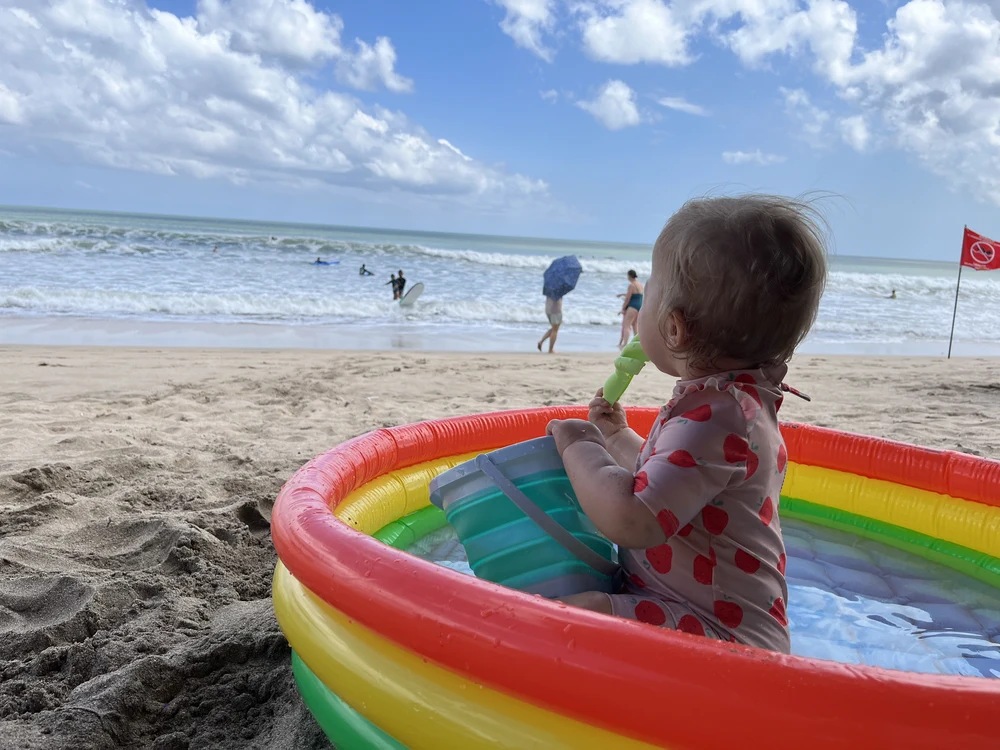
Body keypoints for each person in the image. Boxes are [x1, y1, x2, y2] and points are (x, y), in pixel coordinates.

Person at [544, 195, 828, 654]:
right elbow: (667, 482)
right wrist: (615, 437)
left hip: (724, 639)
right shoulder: (732, 404)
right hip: (707, 617)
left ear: (674, 329)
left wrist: (582, 445)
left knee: (577, 612)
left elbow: (633, 519)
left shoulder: (718, 417)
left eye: (651, 291)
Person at [617, 269, 644, 348]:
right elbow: (635, 295)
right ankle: (637, 343)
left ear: (630, 276)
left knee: (627, 326)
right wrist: (622, 294)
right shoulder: (640, 284)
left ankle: (625, 344)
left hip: (632, 307)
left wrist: (623, 308)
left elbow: (628, 298)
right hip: (639, 306)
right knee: (635, 325)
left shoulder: (631, 285)